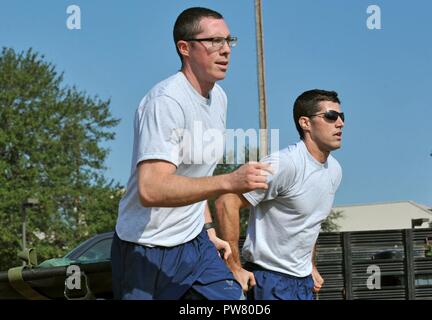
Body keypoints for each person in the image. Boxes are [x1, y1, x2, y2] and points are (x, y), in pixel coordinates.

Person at [111, 7, 271, 300]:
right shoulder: (166, 102)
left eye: (228, 40)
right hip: (145, 249)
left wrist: (208, 229)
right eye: (213, 41)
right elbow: (151, 188)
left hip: (194, 245)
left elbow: (195, 176)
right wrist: (230, 182)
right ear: (184, 48)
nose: (225, 50)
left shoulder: (219, 98)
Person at [215, 89, 344, 300]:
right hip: (269, 281)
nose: (340, 123)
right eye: (330, 116)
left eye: (341, 116)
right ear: (305, 123)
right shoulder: (284, 164)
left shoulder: (334, 171)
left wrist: (309, 265)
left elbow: (310, 223)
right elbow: (226, 201)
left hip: (303, 284)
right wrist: (234, 267)